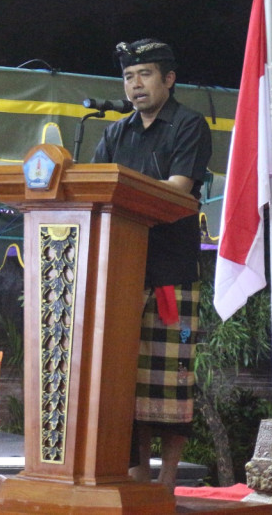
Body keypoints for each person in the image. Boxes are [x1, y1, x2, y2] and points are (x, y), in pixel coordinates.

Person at [91, 38, 212, 489]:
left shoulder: (189, 124)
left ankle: (167, 481)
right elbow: (95, 191)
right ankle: (137, 476)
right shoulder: (114, 133)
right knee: (126, 383)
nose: (134, 84)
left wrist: (128, 191)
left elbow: (180, 189)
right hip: (121, 274)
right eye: (127, 76)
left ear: (168, 79)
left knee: (171, 381)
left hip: (172, 277)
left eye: (144, 74)